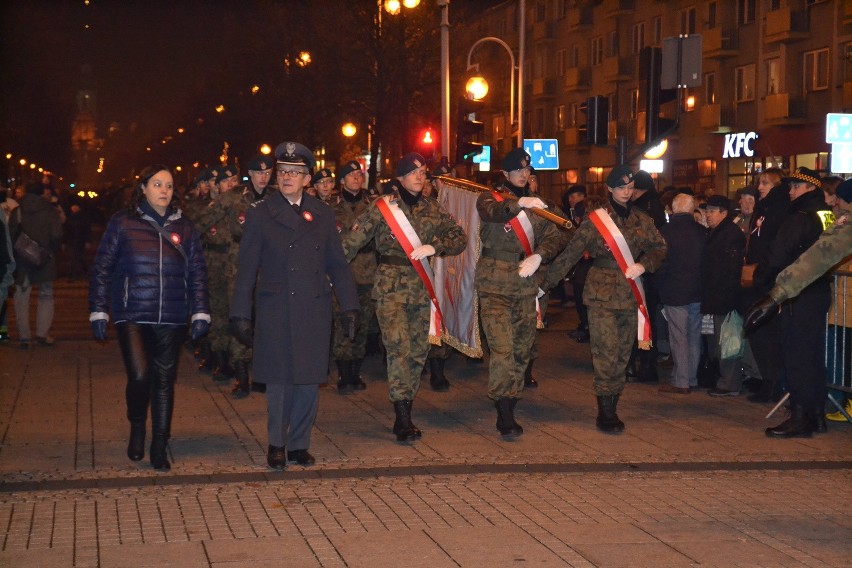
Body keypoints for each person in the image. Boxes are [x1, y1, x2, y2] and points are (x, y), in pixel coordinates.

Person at [230, 142, 359, 469]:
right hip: (276, 306)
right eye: (283, 171)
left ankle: (299, 444)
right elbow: (246, 268)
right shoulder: (261, 214)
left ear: (307, 179)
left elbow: (337, 264)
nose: (287, 177)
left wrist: (350, 307)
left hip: (313, 307)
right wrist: (240, 314)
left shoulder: (322, 213)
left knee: (308, 379)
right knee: (279, 380)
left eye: (296, 172)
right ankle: (277, 443)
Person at [89, 165, 210, 471]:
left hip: (172, 315)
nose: (163, 191)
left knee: (165, 382)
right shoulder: (123, 223)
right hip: (133, 313)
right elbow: (103, 267)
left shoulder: (184, 227)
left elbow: (197, 272)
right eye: (157, 184)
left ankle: (159, 444)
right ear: (143, 187)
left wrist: (199, 311)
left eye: (168, 185)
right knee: (141, 376)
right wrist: (99, 309)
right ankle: (137, 423)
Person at [340, 152, 466, 442]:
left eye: (423, 171)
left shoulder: (433, 209)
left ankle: (406, 402)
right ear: (399, 178)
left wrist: (435, 247)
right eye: (413, 172)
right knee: (399, 347)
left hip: (422, 288)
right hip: (391, 287)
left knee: (418, 351)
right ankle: (402, 416)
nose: (420, 176)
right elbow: (351, 243)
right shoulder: (382, 208)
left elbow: (459, 237)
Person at [543, 165, 667, 433]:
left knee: (623, 354)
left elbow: (660, 247)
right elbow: (571, 253)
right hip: (601, 293)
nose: (627, 192)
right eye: (621, 187)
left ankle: (614, 400)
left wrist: (645, 265)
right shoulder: (596, 220)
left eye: (630, 187)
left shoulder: (642, 220)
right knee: (604, 353)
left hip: (630, 291)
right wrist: (545, 284)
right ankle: (605, 411)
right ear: (609, 189)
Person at [476, 148, 567, 437]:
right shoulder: (490, 198)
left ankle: (511, 396)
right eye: (518, 170)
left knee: (522, 349)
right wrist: (518, 205)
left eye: (527, 170)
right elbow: (491, 212)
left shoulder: (541, 206)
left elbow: (558, 235)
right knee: (502, 349)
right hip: (495, 286)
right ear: (505, 174)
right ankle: (504, 411)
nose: (524, 174)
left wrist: (540, 255)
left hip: (526, 288)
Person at [743, 168, 834, 438]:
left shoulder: (800, 218)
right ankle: (816, 415)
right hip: (818, 291)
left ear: (809, 189)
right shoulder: (826, 215)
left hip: (797, 293)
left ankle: (800, 416)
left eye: (795, 187)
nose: (791, 192)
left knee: (796, 357)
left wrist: (759, 279)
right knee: (812, 356)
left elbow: (777, 254)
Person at [742, 167, 790, 403]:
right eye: (759, 182)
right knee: (759, 335)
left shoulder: (780, 211)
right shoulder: (764, 208)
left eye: (765, 183)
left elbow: (774, 247)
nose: (760, 187)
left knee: (769, 335)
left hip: (768, 279)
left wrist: (763, 272)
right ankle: (767, 381)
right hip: (757, 277)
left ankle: (773, 383)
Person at [332, 160, 377, 392]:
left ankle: (356, 372)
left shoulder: (372, 205)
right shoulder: (332, 207)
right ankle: (343, 373)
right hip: (343, 273)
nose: (357, 178)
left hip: (368, 271)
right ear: (342, 181)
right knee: (342, 323)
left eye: (359, 174)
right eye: (351, 175)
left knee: (363, 322)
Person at [655, 193, 706, 394]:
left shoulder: (665, 232)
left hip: (674, 290)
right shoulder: (702, 232)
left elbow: (660, 264)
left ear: (673, 209)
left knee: (678, 336)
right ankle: (691, 377)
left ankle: (681, 381)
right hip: (697, 290)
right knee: (694, 335)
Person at [701, 195, 747, 397]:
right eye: (707, 211)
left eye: (712, 211)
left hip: (725, 298)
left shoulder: (730, 234)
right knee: (720, 342)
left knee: (728, 342)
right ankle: (725, 380)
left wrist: (726, 298)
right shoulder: (716, 232)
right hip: (715, 296)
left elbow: (730, 269)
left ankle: (730, 382)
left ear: (724, 213)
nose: (707, 215)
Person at [9, 182, 63, 348]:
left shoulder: (17, 211)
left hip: (22, 260)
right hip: (44, 259)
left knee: (21, 296)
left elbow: (10, 236)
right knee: (46, 295)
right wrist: (49, 251)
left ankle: (24, 336)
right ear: (41, 194)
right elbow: (57, 235)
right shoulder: (50, 211)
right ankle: (42, 334)